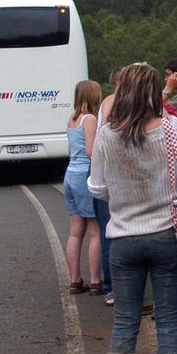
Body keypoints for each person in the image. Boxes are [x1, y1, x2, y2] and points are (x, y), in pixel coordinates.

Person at [88, 64, 177, 354]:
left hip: (122, 238)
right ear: (153, 91)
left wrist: (124, 195)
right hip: (167, 236)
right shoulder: (170, 127)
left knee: (124, 323)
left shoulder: (106, 134)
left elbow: (97, 188)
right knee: (167, 322)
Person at [64, 80, 103, 294]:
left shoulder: (72, 118)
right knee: (95, 231)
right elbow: (90, 151)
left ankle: (75, 279)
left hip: (70, 174)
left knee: (75, 231)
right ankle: (96, 280)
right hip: (83, 175)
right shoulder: (89, 119)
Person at [94, 67, 122, 306]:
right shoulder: (119, 102)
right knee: (111, 236)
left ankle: (111, 288)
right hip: (114, 178)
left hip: (105, 177)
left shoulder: (105, 102)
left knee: (108, 234)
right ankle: (113, 287)